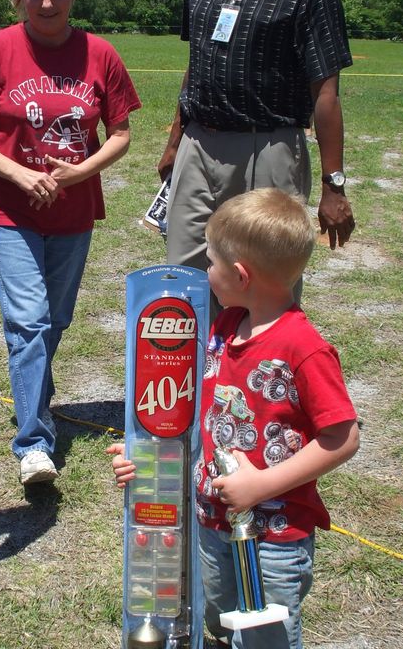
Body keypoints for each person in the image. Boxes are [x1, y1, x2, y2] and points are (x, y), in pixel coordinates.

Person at [109, 188, 360, 649]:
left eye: (212, 263)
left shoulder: (304, 349)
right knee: (222, 622)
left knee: (266, 637)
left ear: (240, 275)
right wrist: (145, 453)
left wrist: (261, 486)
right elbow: (198, 413)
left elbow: (343, 438)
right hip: (213, 523)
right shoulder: (224, 329)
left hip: (275, 538)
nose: (207, 272)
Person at [0, 0, 141, 485]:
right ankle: (34, 443)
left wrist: (81, 171)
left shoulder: (99, 53)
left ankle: (34, 390)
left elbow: (122, 133)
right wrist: (17, 173)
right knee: (29, 321)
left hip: (73, 209)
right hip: (8, 207)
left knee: (53, 321)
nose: (46, 2)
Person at [158, 0, 355, 319]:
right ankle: (196, 386)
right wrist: (175, 141)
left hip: (268, 147)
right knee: (186, 278)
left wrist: (334, 185)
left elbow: (326, 91)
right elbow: (197, 66)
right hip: (199, 144)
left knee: (264, 281)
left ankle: (257, 386)